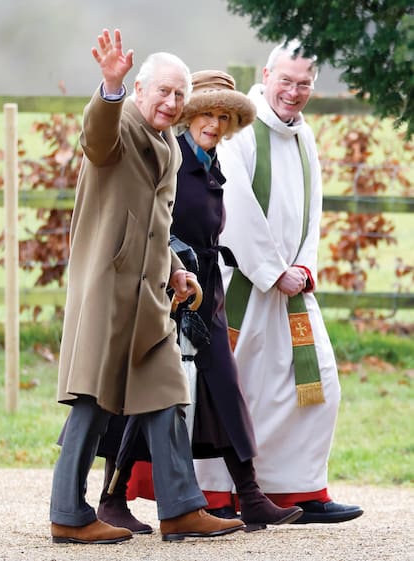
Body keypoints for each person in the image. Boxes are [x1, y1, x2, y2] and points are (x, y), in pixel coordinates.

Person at [49, 28, 245, 545]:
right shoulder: (120, 127)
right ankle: (67, 513)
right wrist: (108, 88)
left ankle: (180, 509)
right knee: (91, 401)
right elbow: (95, 137)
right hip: (107, 290)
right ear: (139, 89)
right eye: (163, 90)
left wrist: (176, 269)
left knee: (165, 392)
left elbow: (155, 224)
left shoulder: (169, 147)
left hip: (150, 294)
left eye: (180, 94)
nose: (172, 102)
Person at [99, 70, 304, 530]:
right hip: (164, 290)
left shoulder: (213, 162)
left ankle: (250, 496)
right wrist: (174, 269)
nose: (214, 123)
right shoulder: (168, 156)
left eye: (223, 116)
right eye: (206, 113)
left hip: (207, 290)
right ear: (189, 115)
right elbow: (153, 221)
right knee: (144, 391)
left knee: (224, 388)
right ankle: (112, 498)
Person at [191, 41, 364, 524]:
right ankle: (218, 496)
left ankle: (300, 490)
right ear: (266, 75)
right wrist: (272, 271)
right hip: (247, 285)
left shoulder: (303, 134)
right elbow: (237, 209)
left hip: (292, 287)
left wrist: (304, 267)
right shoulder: (240, 134)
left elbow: (313, 208)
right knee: (234, 388)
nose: (294, 92)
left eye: (304, 84)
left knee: (318, 386)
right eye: (285, 81)